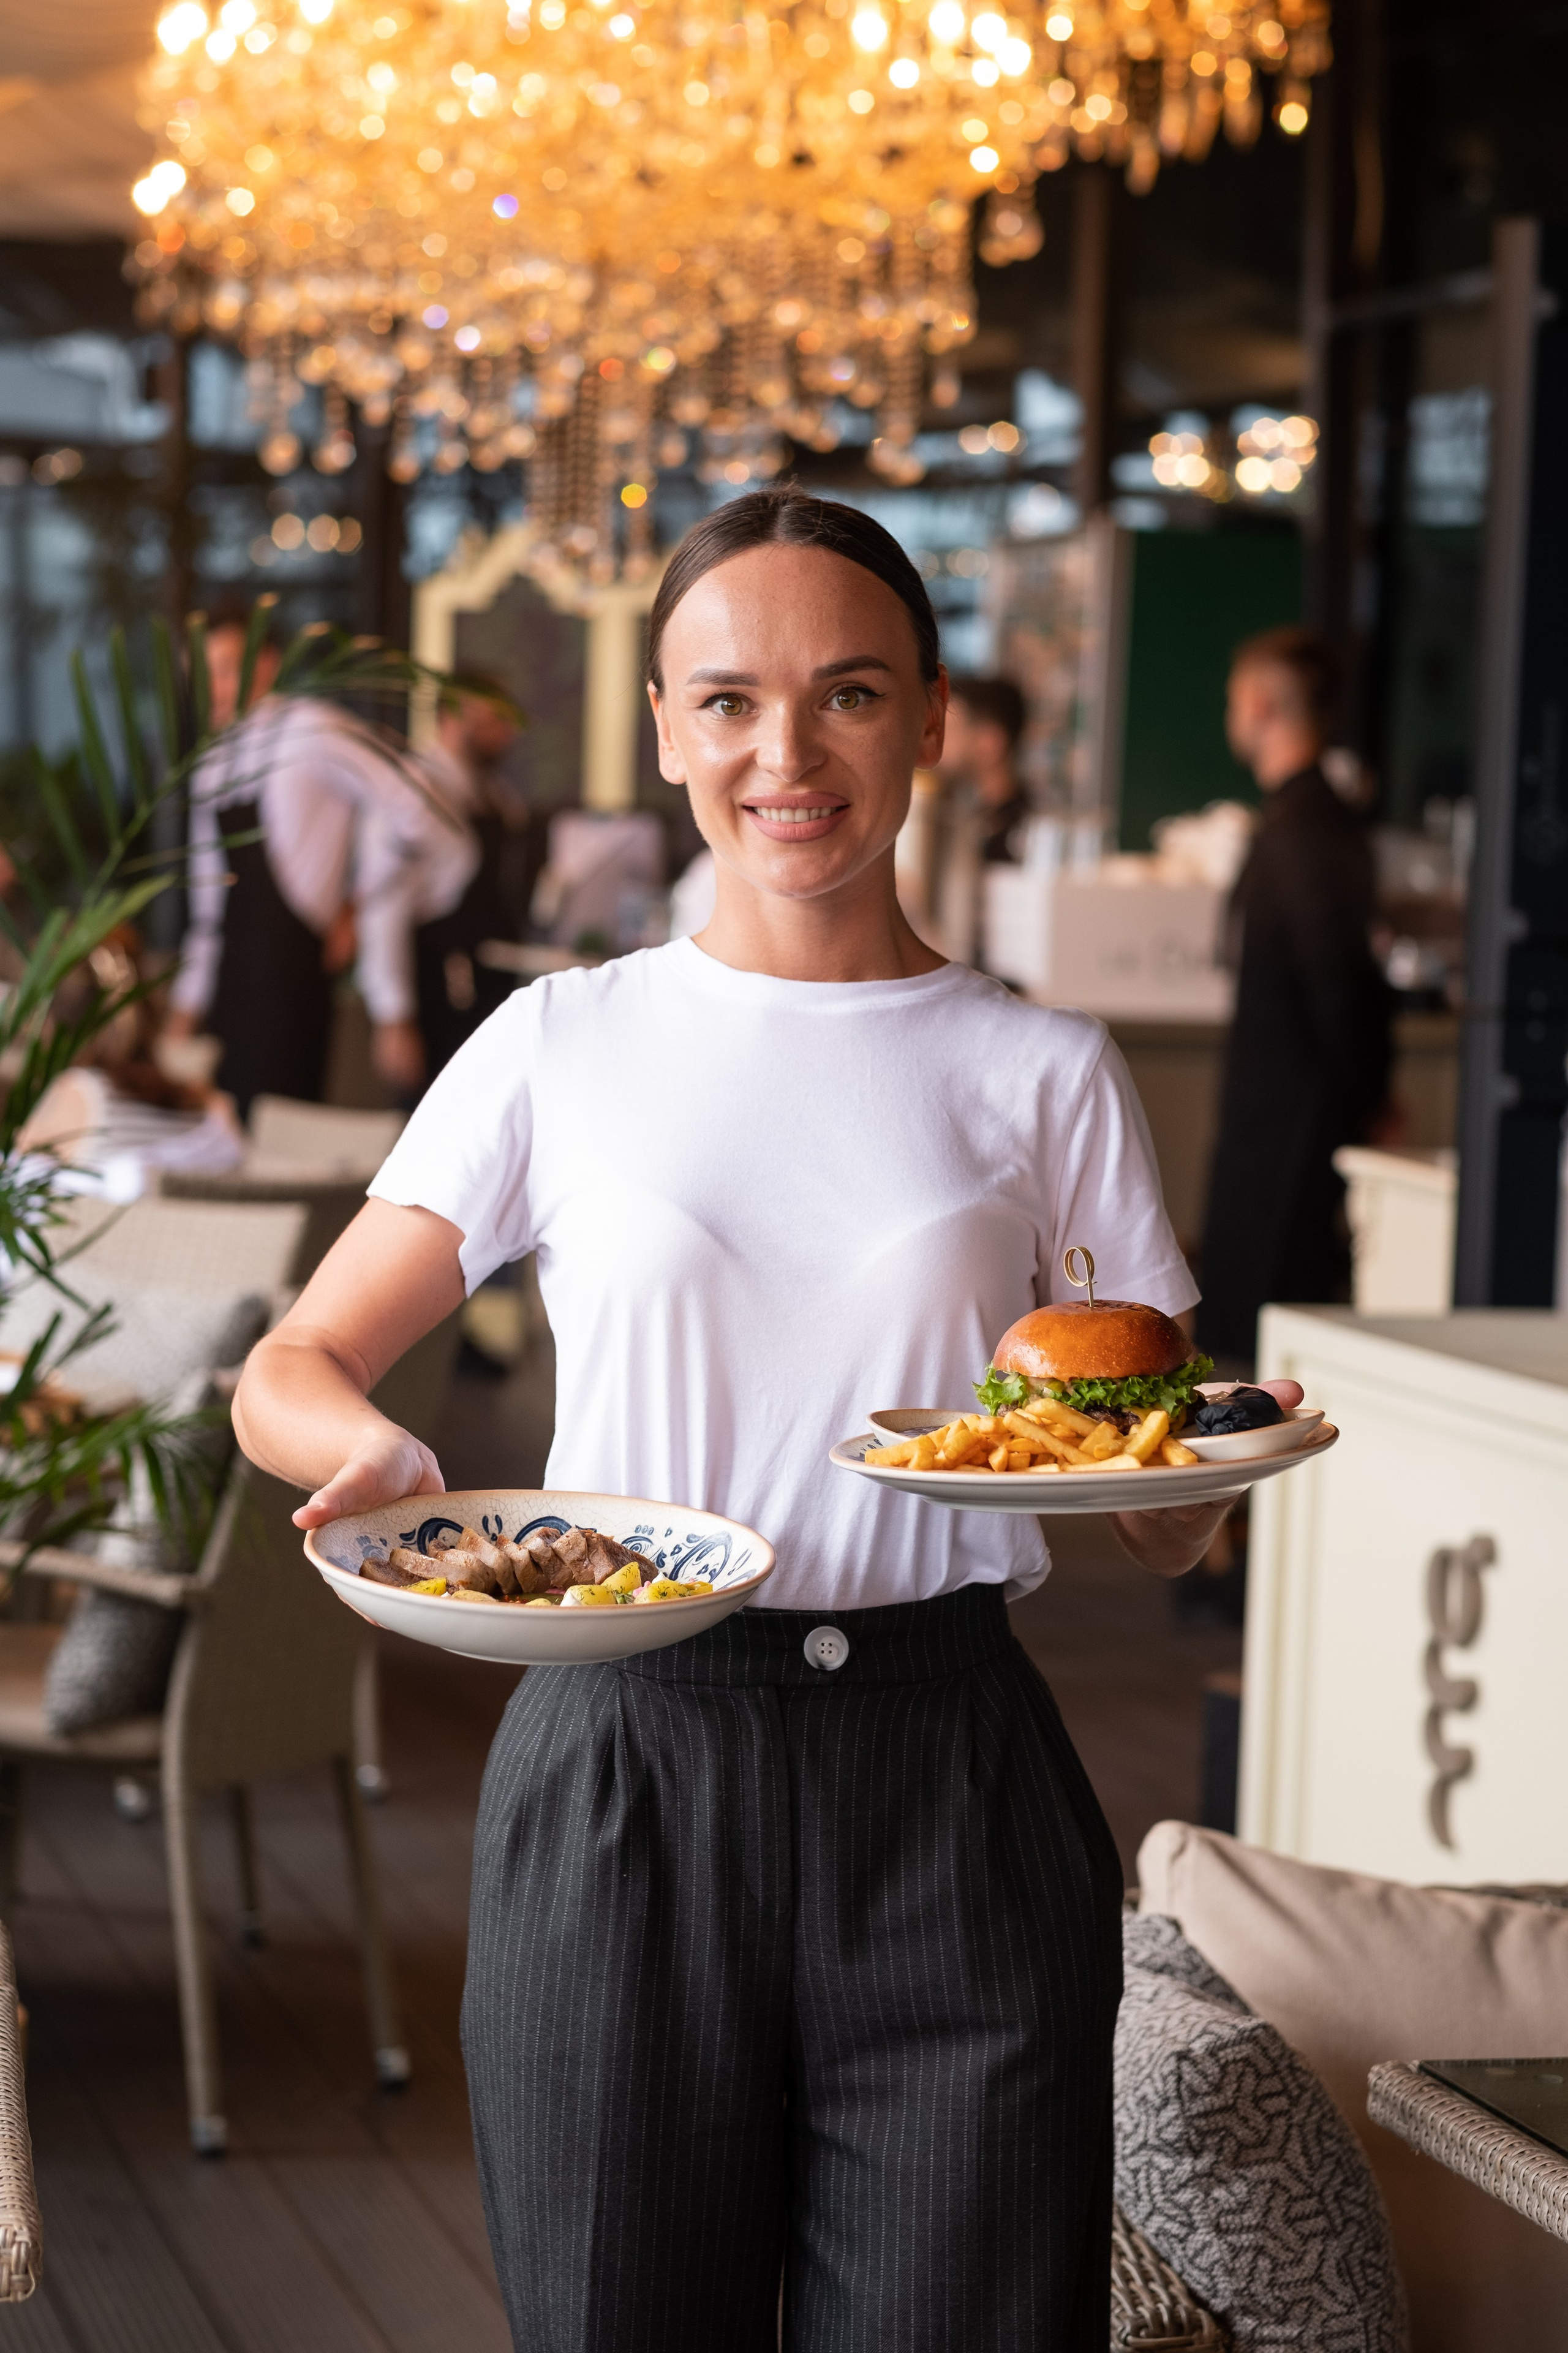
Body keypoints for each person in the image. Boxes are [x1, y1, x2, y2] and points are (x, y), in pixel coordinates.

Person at [233, 487, 1231, 2353]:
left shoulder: (1044, 1069)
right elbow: (289, 1365)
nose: (787, 753)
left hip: (954, 1781)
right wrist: (361, 1455)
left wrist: (1181, 1478)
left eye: (847, 694)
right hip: (624, 1768)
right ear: (669, 730)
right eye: (729, 701)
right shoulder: (558, 1040)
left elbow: (1168, 1499)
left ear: (933, 717)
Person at [1198, 625, 1392, 1364]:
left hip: (1296, 1129)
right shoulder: (1302, 822)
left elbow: (1342, 989)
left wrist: (1368, 1099)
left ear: (1256, 704)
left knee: (1271, 1343)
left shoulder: (1308, 831)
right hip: (1275, 1116)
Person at [165, 608, 433, 1115]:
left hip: (293, 979)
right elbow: (208, 916)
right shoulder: (211, 764)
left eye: (224, 667)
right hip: (229, 990)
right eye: (199, 673)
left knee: (281, 1136)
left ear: (265, 664)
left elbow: (416, 809)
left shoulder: (312, 731)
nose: (212, 686)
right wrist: (182, 1016)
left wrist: (359, 905)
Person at [407, 679, 529, 1080]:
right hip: (439, 972)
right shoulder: (419, 787)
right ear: (451, 718)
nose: (502, 734)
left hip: (490, 970)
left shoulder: (495, 794)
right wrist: (393, 1015)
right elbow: (386, 903)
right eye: (488, 720)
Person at [940, 673, 1031, 864]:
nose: (932, 741)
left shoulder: (1020, 840)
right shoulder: (978, 821)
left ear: (990, 744)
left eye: (948, 729)